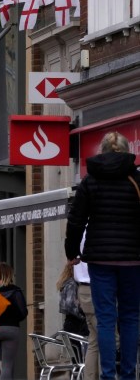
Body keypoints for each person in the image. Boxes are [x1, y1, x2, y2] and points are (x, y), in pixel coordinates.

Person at [65, 131, 140, 380]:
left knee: (105, 319)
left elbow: (76, 219)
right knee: (130, 316)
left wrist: (72, 251)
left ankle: (108, 375)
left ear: (102, 151)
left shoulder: (91, 180)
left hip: (100, 259)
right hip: (132, 257)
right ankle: (128, 374)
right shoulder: (135, 178)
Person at [0, 262, 28, 380]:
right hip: (10, 328)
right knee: (7, 365)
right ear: (10, 274)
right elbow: (23, 312)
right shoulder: (15, 291)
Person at [74, 234, 99, 380]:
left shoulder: (76, 231)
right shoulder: (92, 228)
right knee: (107, 337)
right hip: (96, 287)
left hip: (83, 289)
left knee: (94, 339)